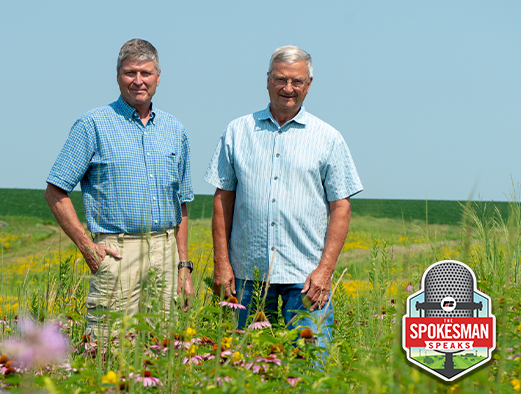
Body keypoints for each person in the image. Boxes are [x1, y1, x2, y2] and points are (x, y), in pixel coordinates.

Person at [204, 45, 363, 355]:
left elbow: (341, 207)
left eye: (297, 81)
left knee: (310, 367)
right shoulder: (238, 131)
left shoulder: (328, 138)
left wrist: (325, 271)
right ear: (267, 80)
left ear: (309, 85)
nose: (288, 88)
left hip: (305, 279)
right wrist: (222, 265)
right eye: (280, 79)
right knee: (238, 367)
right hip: (245, 277)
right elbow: (222, 200)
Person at [45, 39, 195, 340]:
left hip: (164, 252)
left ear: (158, 77)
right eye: (130, 73)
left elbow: (181, 205)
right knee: (107, 343)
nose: (138, 81)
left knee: (159, 345)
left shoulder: (175, 130)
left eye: (146, 73)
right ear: (117, 77)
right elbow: (55, 191)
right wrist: (87, 246)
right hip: (117, 251)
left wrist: (183, 266)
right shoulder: (93, 125)